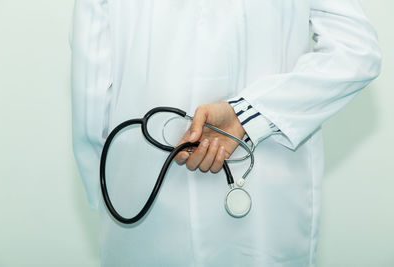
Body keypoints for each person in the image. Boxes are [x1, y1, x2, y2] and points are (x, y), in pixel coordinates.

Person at [70, 0, 381, 266]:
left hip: (142, 198)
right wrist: (250, 113)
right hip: (266, 196)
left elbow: (91, 89)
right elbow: (356, 53)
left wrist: (108, 188)